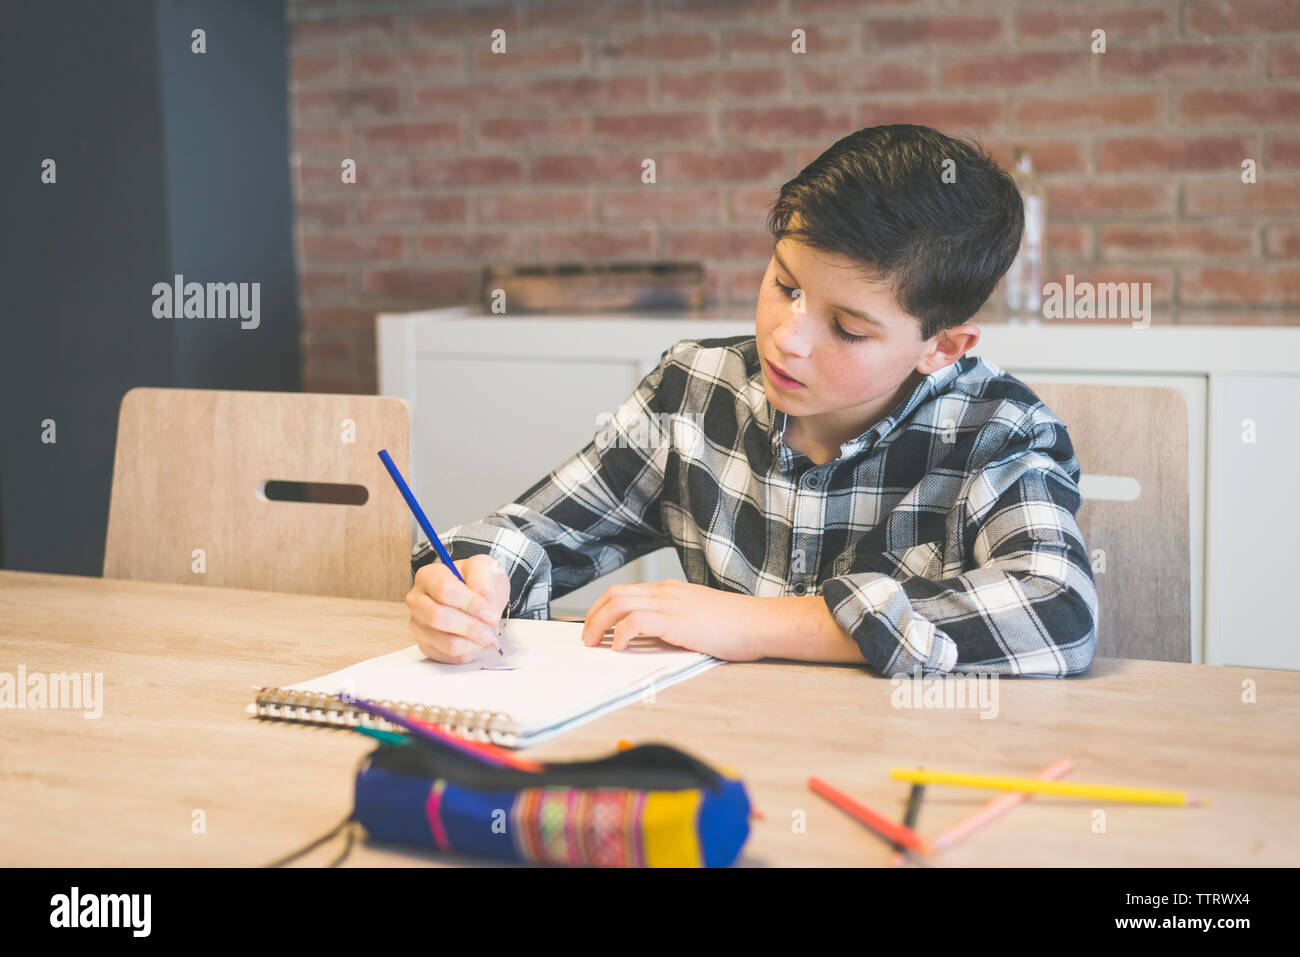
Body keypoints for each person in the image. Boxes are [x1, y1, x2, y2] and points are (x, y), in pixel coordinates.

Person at [405, 124, 1098, 677]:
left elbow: (1058, 608)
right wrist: (474, 580)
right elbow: (535, 532)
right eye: (785, 285)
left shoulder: (995, 430)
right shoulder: (694, 389)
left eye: (846, 327)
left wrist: (752, 622)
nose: (787, 339)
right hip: (723, 757)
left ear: (941, 347)